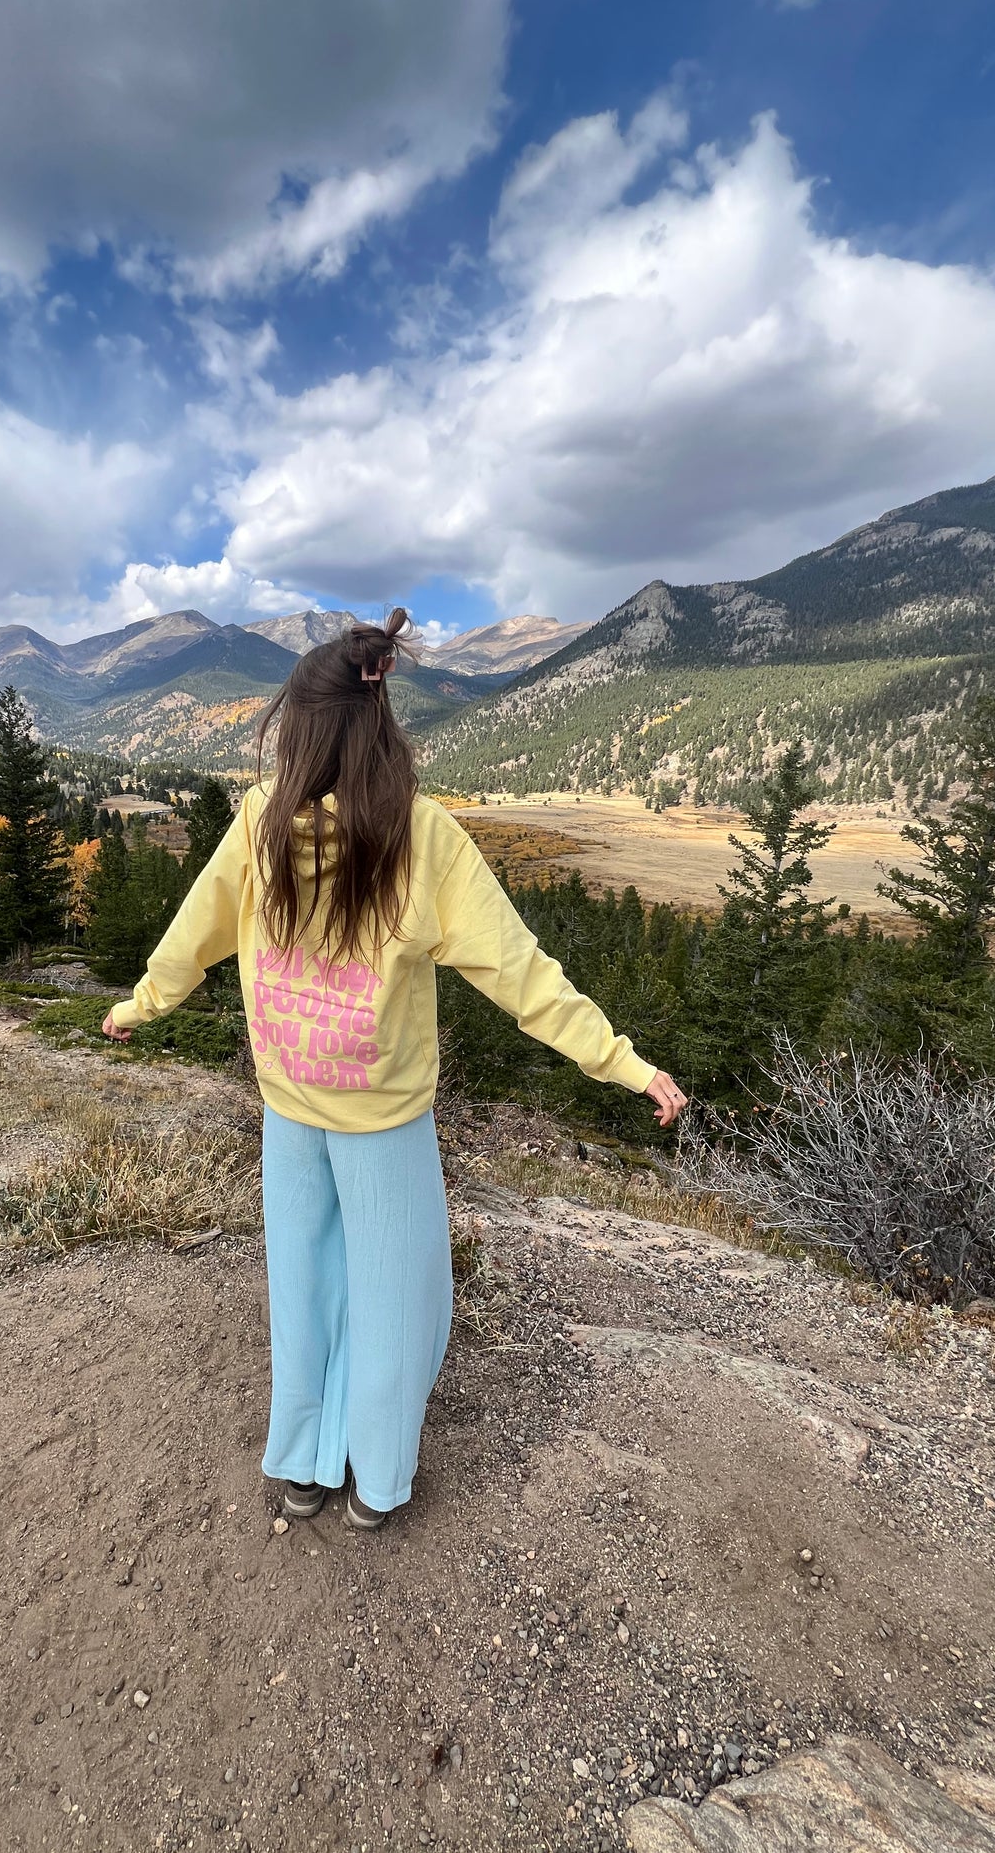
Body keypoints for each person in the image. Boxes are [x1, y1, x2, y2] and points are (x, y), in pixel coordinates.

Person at [102, 609, 687, 1531]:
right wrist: (622, 1062)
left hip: (287, 1108)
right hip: (382, 1123)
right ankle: (374, 1484)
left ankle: (302, 1467)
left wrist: (141, 1003)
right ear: (382, 724)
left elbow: (194, 934)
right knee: (398, 1298)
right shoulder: (424, 836)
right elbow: (522, 975)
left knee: (303, 1287)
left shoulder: (259, 822)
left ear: (294, 733)